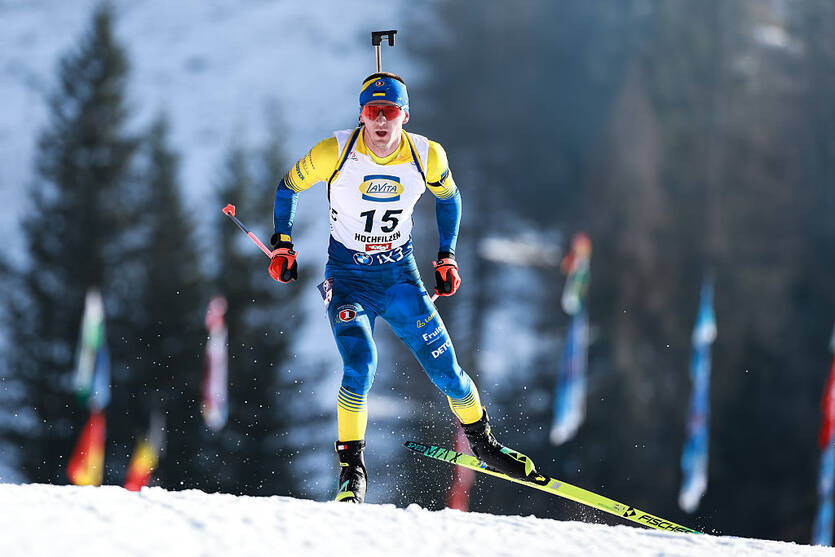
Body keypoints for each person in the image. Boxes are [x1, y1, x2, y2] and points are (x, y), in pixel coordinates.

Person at [269, 71, 537, 503]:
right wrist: (283, 243)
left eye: (389, 111)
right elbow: (289, 186)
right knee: (361, 365)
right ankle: (352, 471)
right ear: (361, 114)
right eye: (372, 111)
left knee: (448, 373)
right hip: (349, 280)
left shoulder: (427, 155)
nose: (380, 121)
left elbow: (449, 197)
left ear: (404, 116)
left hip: (400, 279)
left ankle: (485, 444)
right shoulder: (334, 152)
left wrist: (447, 256)